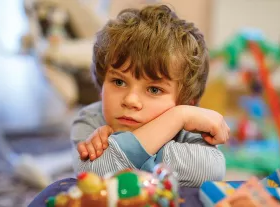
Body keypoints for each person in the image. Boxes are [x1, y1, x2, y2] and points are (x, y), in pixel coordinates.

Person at [71, 4, 230, 187]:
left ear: (186, 103)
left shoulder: (189, 125)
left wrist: (178, 117)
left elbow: (211, 170)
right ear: (102, 86)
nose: (130, 100)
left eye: (154, 90)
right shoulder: (91, 119)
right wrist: (175, 118)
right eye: (119, 82)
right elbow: (94, 172)